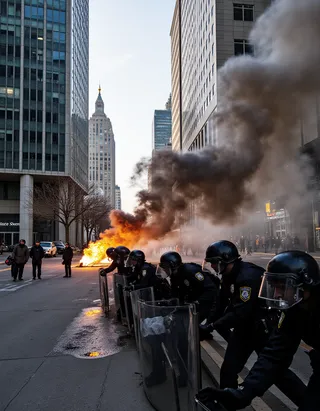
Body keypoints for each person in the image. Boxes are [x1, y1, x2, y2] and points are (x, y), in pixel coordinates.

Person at [196, 250, 319, 411]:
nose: (277, 294)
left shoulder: (246, 277)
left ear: (305, 283)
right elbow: (275, 355)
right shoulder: (294, 308)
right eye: (274, 287)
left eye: (282, 287)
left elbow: (241, 312)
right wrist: (243, 393)